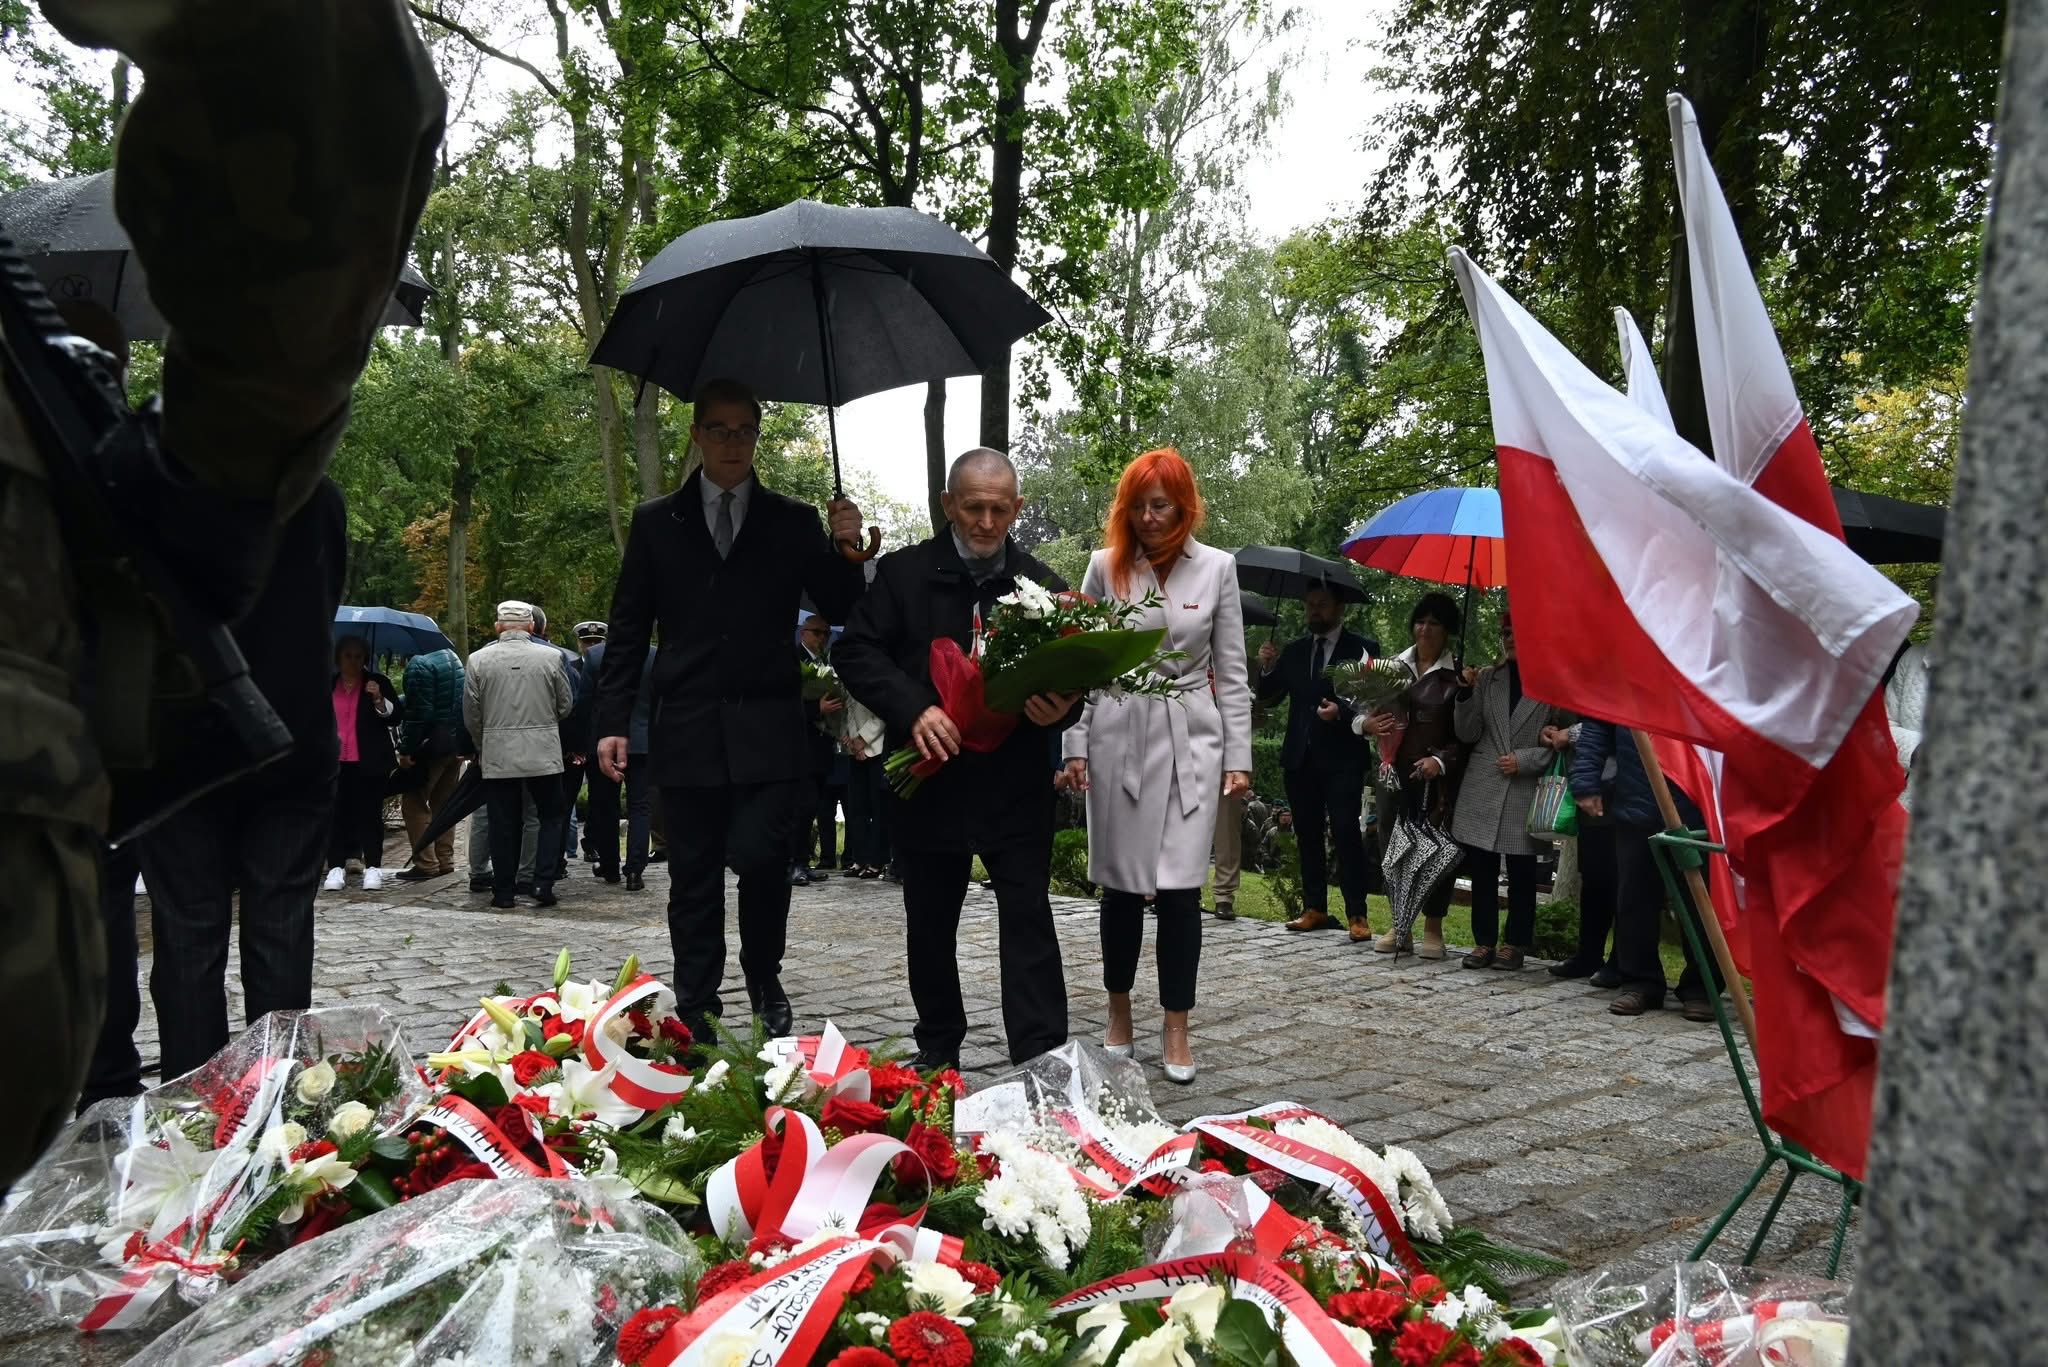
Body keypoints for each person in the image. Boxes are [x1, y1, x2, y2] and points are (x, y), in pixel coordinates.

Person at [0, 0, 442, 1192]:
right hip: (274, 734)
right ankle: (278, 1106)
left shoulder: (142, 487)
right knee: (271, 934)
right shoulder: (302, 497)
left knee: (193, 937)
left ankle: (196, 1109)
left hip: (191, 739)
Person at [593, 379, 866, 1039]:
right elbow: (628, 628)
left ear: (756, 436)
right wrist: (612, 721)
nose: (732, 442)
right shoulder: (657, 522)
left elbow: (841, 605)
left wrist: (846, 548)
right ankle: (697, 1004)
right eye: (719, 429)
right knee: (692, 875)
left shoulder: (792, 520)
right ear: (697, 435)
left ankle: (764, 975)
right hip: (687, 725)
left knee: (763, 859)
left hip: (768, 726)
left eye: (745, 430)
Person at [834, 448, 1079, 1069]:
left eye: (999, 509)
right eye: (973, 508)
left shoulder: (1045, 587)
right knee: (930, 922)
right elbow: (856, 652)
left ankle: (1040, 1057)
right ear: (948, 504)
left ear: (1017, 508)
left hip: (1014, 784)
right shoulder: (903, 574)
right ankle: (938, 1047)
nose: (986, 522)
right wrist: (915, 708)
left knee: (1028, 918)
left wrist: (1062, 708)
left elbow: (1071, 679)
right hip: (929, 779)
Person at [134, 481, 349, 1080]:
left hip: (181, 737)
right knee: (280, 925)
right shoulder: (314, 495)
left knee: (187, 930)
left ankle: (194, 1097)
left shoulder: (157, 487)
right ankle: (276, 1091)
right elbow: (324, 601)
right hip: (290, 733)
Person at [1061, 449, 1251, 1085]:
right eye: (1138, 505)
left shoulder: (1218, 568)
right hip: (1119, 730)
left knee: (1179, 889)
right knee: (1120, 886)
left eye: (1161, 505)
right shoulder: (1104, 566)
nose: (1148, 517)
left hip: (1192, 738)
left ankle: (1176, 1024)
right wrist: (1075, 744)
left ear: (1184, 506)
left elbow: (1233, 673)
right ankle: (1118, 1013)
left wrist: (1239, 757)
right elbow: (1081, 664)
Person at [1569, 720, 1720, 1021]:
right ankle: (1640, 982)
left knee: (1700, 902)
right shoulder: (1624, 688)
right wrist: (1586, 781)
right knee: (1634, 899)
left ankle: (1702, 988)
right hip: (1636, 800)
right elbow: (1598, 725)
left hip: (1697, 802)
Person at [1254, 585, 1380, 938]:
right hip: (1300, 757)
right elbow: (1269, 696)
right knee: (1307, 833)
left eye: (1322, 605)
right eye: (1309, 605)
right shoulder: (1295, 651)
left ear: (1340, 608)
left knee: (1345, 832)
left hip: (1343, 759)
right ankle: (1314, 908)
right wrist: (1267, 667)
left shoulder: (1363, 650)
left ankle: (1357, 914)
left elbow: (1372, 703)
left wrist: (1341, 713)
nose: (1314, 611)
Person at [1449, 610, 1571, 970]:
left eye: (1519, 631)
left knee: (1522, 870)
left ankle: (1515, 943)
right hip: (1484, 783)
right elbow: (1468, 733)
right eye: (1505, 632)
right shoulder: (1489, 678)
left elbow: (1564, 739)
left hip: (1525, 787)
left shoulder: (1553, 684)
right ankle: (1483, 942)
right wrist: (1464, 693)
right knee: (1482, 868)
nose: (1511, 638)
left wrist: (1526, 759)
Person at [1360, 593, 1466, 958]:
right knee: (1394, 848)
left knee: (1435, 849)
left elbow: (1467, 736)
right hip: (1393, 773)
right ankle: (1399, 924)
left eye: (1435, 623)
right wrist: (1366, 724)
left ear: (1448, 630)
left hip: (1436, 780)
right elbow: (1362, 712)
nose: (1425, 629)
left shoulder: (1459, 676)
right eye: (1420, 621)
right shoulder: (1390, 668)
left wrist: (1441, 760)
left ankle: (1433, 926)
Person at [465, 601, 575, 910]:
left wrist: (484, 743)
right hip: (543, 752)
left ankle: (503, 892)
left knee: (502, 821)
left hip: (499, 753)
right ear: (531, 627)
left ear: (498, 627)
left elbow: (471, 714)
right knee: (550, 815)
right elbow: (565, 705)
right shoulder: (552, 658)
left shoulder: (477, 660)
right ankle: (542, 881)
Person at [321, 636, 401, 892]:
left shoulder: (377, 683)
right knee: (336, 815)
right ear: (338, 658)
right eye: (348, 656)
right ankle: (335, 866)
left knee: (369, 816)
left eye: (358, 656)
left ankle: (374, 866)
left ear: (365, 658)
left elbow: (395, 717)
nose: (353, 661)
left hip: (369, 763)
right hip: (335, 762)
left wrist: (378, 699)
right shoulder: (329, 684)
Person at [396, 642, 466, 881]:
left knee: (414, 803)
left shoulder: (419, 663)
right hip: (453, 743)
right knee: (443, 805)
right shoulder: (452, 657)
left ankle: (426, 863)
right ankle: (445, 860)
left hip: (430, 747)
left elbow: (420, 714)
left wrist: (406, 749)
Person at [531, 605, 593, 876]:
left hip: (563, 748)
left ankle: (542, 866)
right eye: (587, 642)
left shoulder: (484, 657)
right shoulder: (560, 660)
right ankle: (549, 866)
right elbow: (570, 707)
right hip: (559, 747)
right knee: (555, 809)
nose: (590, 647)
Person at [793, 613, 846, 884]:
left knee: (811, 807)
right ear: (803, 632)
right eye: (817, 632)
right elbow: (786, 705)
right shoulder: (795, 660)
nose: (822, 638)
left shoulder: (825, 661)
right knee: (800, 807)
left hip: (822, 745)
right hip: (800, 746)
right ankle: (794, 862)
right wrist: (816, 708)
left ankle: (803, 861)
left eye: (826, 633)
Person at [574, 621, 620, 877]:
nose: (591, 646)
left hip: (600, 740)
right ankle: (596, 847)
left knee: (605, 801)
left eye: (595, 641)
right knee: (600, 801)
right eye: (587, 642)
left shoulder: (600, 660)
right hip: (591, 742)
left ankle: (609, 859)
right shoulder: (571, 665)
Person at [620, 647, 660, 891]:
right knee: (640, 806)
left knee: (603, 805)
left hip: (607, 739)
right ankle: (635, 869)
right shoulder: (656, 656)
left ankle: (607, 863)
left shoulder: (598, 655)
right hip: (643, 738)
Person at [841, 691, 891, 879]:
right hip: (854, 749)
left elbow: (883, 712)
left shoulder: (875, 681)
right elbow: (848, 711)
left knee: (878, 808)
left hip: (876, 748)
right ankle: (859, 859)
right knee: (856, 807)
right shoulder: (848, 682)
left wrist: (863, 740)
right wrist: (848, 736)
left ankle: (878, 861)